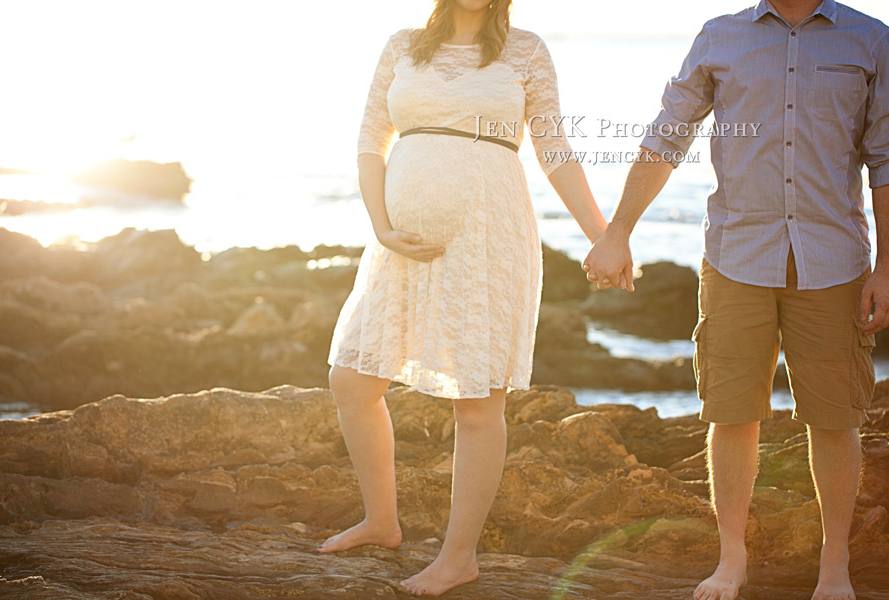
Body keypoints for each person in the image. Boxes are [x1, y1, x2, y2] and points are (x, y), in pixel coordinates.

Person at [582, 1, 889, 599]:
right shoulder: (719, 37)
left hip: (832, 262)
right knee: (731, 410)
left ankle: (834, 569)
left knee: (834, 416)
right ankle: (732, 561)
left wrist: (888, 266)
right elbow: (667, 134)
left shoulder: (871, 40)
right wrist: (617, 232)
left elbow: (886, 160)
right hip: (735, 256)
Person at [320, 0, 608, 595]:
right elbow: (371, 138)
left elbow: (553, 148)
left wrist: (604, 237)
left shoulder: (525, 49)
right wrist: (379, 223)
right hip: (398, 243)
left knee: (477, 400)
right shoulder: (403, 44)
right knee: (352, 378)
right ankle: (381, 520)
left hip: (487, 236)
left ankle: (458, 558)